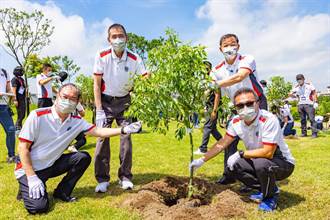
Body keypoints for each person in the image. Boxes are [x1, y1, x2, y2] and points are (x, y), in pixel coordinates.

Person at [15, 83, 142, 214]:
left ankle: (62, 192)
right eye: (64, 97)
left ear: (77, 102)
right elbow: (23, 148)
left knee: (82, 157)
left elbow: (98, 131)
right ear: (57, 96)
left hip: (52, 164)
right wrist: (31, 177)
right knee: (39, 208)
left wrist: (124, 129)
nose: (68, 101)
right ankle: (26, 185)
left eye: (72, 98)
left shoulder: (76, 121)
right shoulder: (37, 116)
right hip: (30, 168)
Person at [190, 88, 295, 212]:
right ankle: (269, 188)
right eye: (240, 105)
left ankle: (270, 197)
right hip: (258, 159)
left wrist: (240, 153)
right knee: (233, 166)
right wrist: (202, 160)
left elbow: (268, 152)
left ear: (257, 103)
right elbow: (223, 143)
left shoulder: (268, 120)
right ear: (235, 107)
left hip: (281, 162)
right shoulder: (236, 122)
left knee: (262, 164)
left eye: (249, 103)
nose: (245, 108)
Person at [93, 23, 148, 192]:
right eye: (114, 36)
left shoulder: (134, 58)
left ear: (127, 38)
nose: (118, 39)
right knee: (102, 139)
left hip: (125, 102)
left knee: (126, 139)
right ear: (109, 40)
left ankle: (125, 176)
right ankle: (102, 179)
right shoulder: (102, 56)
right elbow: (96, 84)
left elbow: (145, 80)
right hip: (106, 101)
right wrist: (99, 109)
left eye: (121, 36)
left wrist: (141, 107)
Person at [211, 33, 268, 185]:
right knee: (230, 140)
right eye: (226, 45)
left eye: (233, 44)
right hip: (237, 106)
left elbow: (240, 76)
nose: (230, 48)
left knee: (259, 141)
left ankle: (260, 177)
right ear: (220, 49)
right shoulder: (217, 69)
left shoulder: (247, 59)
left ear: (238, 46)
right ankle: (228, 174)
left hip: (256, 102)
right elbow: (213, 87)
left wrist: (216, 83)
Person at [194, 61, 222, 155]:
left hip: (213, 107)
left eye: (204, 68)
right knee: (213, 129)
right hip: (209, 106)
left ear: (209, 68)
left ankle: (203, 148)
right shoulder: (208, 79)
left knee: (207, 127)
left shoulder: (213, 79)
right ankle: (225, 144)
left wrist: (214, 110)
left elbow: (217, 95)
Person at [0, 68, 16, 163]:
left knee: (11, 130)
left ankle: (11, 156)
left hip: (3, 107)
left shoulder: (4, 72)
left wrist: (13, 96)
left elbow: (8, 88)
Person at [11, 66, 27, 133]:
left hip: (23, 98)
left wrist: (26, 97)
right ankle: (17, 128)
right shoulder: (14, 79)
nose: (22, 72)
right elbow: (14, 90)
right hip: (18, 99)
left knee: (23, 114)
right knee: (20, 114)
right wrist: (15, 99)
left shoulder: (22, 79)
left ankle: (19, 126)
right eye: (21, 71)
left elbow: (24, 88)